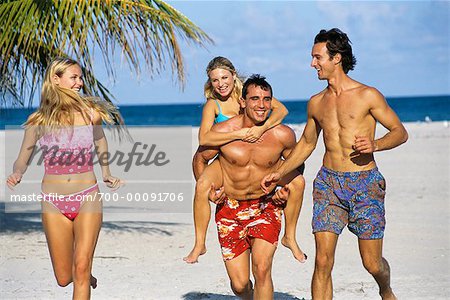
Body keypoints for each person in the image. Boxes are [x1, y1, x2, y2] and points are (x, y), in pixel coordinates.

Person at [261, 28, 408, 300]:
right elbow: (306, 143)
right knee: (323, 262)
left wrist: (376, 145)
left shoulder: (368, 95)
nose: (312, 64)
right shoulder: (316, 103)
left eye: (318, 58)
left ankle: (386, 290)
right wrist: (278, 173)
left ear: (336, 58)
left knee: (372, 263)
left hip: (365, 183)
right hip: (329, 184)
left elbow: (400, 132)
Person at [6, 57, 125, 299]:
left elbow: (100, 140)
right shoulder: (38, 121)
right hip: (53, 201)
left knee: (80, 268)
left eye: (80, 77)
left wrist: (106, 173)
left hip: (87, 196)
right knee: (63, 278)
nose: (79, 83)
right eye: (74, 77)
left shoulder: (91, 114)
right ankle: (84, 273)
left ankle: (83, 271)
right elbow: (23, 156)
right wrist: (17, 172)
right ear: (56, 79)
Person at [184, 56, 306, 264]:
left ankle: (290, 236)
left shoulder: (248, 95)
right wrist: (239, 134)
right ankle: (199, 243)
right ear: (209, 83)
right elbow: (204, 139)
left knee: (298, 181)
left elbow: (281, 110)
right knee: (203, 184)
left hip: (259, 155)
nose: (221, 84)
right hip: (229, 157)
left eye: (224, 77)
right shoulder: (213, 105)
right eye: (215, 80)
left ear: (234, 76)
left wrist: (261, 128)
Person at [197, 74, 302, 298]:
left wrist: (284, 191)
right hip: (230, 209)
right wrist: (209, 191)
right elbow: (200, 158)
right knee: (239, 285)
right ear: (242, 102)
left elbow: (296, 167)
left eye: (267, 99)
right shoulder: (224, 133)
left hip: (266, 206)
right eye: (255, 99)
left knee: (262, 269)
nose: (261, 105)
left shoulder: (282, 134)